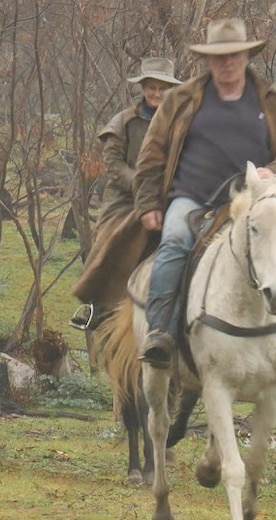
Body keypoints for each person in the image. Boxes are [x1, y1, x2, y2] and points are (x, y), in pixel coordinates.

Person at [134, 18, 276, 380]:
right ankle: (160, 334)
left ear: (246, 56)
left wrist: (274, 170)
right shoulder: (181, 99)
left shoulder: (274, 100)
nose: (227, 63)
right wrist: (148, 204)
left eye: (233, 55)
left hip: (257, 199)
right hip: (193, 199)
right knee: (173, 241)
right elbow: (151, 153)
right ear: (208, 60)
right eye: (219, 56)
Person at [69, 58, 182, 330]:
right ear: (143, 88)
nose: (157, 93)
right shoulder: (123, 122)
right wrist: (143, 185)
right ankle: (99, 303)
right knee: (113, 236)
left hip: (171, 198)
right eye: (152, 87)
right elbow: (114, 165)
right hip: (126, 200)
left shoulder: (180, 124)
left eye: (163, 88)